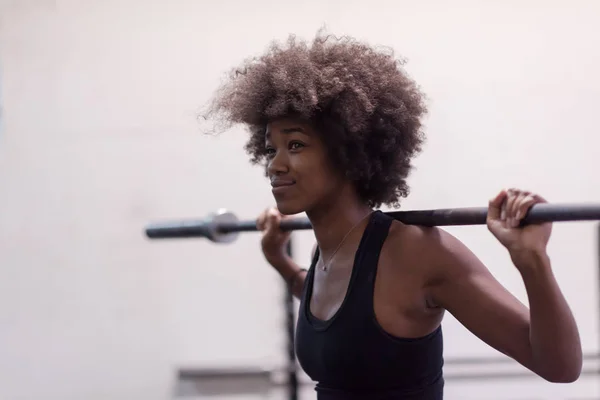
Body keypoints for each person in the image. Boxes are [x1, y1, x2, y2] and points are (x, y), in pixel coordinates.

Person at [203, 31, 582, 399]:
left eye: (296, 144)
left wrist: (532, 260)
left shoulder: (416, 253)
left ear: (347, 151)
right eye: (272, 150)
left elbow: (559, 366)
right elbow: (344, 316)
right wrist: (280, 261)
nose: (276, 166)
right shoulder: (329, 252)